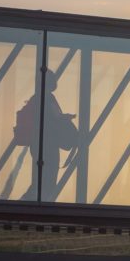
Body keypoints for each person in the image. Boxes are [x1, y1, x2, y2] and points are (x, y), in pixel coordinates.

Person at [22, 69, 77, 201]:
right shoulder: (48, 97)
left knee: (39, 179)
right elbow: (55, 116)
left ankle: (29, 203)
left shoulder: (36, 98)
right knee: (48, 178)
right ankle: (39, 204)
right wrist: (67, 117)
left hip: (38, 143)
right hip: (48, 144)